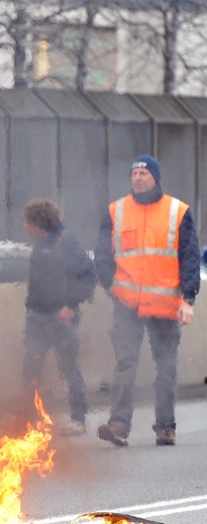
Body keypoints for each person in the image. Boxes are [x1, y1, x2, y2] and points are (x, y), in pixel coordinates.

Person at [94, 155, 199, 447]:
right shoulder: (116, 211)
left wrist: (188, 299)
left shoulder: (177, 212)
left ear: (155, 177)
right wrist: (110, 285)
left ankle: (165, 427)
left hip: (165, 307)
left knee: (165, 366)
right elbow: (102, 254)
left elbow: (189, 258)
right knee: (125, 363)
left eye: (143, 172)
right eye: (134, 173)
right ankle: (118, 424)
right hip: (127, 305)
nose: (138, 177)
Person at [21, 199, 96, 436]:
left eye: (28, 222)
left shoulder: (67, 243)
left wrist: (71, 305)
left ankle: (78, 419)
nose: (25, 227)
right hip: (37, 316)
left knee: (69, 367)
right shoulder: (38, 244)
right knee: (31, 366)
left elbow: (88, 277)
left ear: (39, 222)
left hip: (60, 318)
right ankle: (29, 417)